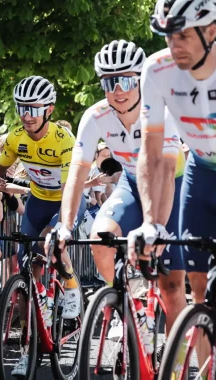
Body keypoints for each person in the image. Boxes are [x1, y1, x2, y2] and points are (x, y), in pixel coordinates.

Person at [0, 75, 86, 376]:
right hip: (38, 200)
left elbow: (70, 186)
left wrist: (55, 228)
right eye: (22, 107)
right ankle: (26, 348)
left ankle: (71, 288)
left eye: (34, 108)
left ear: (49, 110)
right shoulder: (15, 138)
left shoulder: (64, 141)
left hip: (66, 199)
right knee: (25, 280)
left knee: (52, 243)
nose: (27, 114)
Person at [55, 40, 187, 345]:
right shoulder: (95, 115)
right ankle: (123, 304)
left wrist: (156, 226)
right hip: (131, 183)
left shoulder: (160, 108)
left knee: (172, 288)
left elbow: (165, 172)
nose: (119, 89)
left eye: (127, 80)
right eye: (110, 81)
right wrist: (66, 223)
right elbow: (76, 174)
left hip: (173, 187)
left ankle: (175, 362)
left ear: (141, 79)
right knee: (101, 239)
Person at [126, 0, 216, 375]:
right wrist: (151, 222)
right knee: (199, 291)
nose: (174, 44)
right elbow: (151, 154)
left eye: (183, 34)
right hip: (202, 175)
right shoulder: (157, 69)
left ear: (211, 30)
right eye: (169, 35)